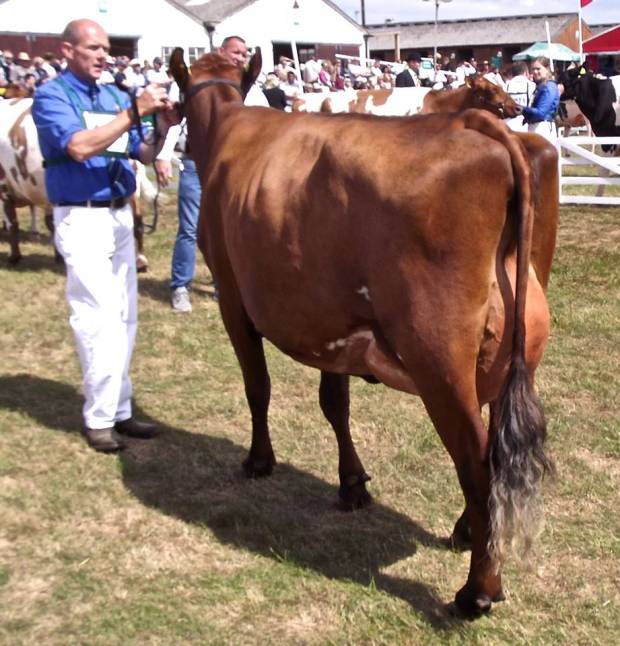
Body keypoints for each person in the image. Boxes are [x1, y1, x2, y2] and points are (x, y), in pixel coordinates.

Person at [32, 18, 180, 452]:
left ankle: (119, 408)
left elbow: (143, 151)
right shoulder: (52, 95)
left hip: (118, 217)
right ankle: (98, 418)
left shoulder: (114, 94)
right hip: (82, 216)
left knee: (124, 316)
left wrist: (164, 126)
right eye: (92, 48)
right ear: (68, 51)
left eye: (105, 49)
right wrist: (134, 112)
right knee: (96, 317)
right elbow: (78, 146)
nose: (103, 55)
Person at [155, 35, 265, 313]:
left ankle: (224, 284)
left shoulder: (250, 86)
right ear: (221, 51)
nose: (240, 57)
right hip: (196, 163)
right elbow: (173, 121)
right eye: (236, 52)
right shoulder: (194, 79)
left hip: (238, 166)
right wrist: (163, 155)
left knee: (231, 229)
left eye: (244, 53)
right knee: (191, 228)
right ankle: (180, 286)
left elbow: (270, 117)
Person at [522, 56, 560, 142]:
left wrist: (522, 109)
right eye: (533, 69)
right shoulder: (540, 87)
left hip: (543, 128)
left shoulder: (549, 87)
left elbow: (541, 113)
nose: (535, 72)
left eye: (538, 69)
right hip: (535, 128)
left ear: (547, 69)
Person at [504, 61, 536, 133]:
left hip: (508, 125)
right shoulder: (532, 86)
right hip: (525, 126)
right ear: (525, 72)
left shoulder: (505, 86)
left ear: (512, 73)